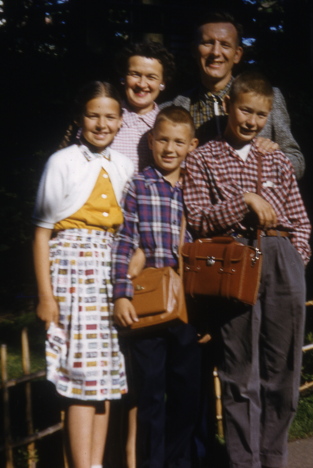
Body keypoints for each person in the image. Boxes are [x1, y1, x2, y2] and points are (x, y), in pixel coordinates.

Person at [183, 71, 311, 468]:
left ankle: (274, 458)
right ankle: (244, 462)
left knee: (284, 370)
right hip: (234, 262)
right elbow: (199, 220)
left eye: (260, 114)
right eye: (245, 110)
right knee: (240, 373)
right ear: (227, 106)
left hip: (281, 259)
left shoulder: (275, 158)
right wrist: (245, 201)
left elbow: (301, 221)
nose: (251, 121)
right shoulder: (202, 157)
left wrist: (295, 259)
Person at [32, 81, 135, 468]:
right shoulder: (63, 162)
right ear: (80, 118)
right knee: (81, 378)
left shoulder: (124, 166)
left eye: (110, 116)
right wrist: (46, 297)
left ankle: (95, 463)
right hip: (73, 272)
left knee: (105, 375)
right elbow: (42, 233)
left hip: (111, 272)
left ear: (121, 121)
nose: (101, 124)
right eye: (93, 115)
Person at [112, 106, 202, 468]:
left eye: (178, 142)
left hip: (188, 308)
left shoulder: (196, 188)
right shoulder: (139, 184)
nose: (169, 148)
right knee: (149, 395)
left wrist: (207, 314)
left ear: (191, 145)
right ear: (150, 141)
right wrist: (120, 292)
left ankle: (179, 462)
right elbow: (124, 240)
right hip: (148, 304)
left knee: (187, 394)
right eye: (162, 139)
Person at [165, 11, 305, 179]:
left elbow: (297, 162)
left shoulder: (270, 98)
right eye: (208, 43)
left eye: (225, 45)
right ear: (195, 50)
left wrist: (273, 158)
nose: (216, 52)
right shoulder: (176, 107)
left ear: (237, 54)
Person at [111, 41, 176, 171]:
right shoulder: (106, 120)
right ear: (123, 78)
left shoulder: (171, 125)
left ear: (162, 83)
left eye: (151, 77)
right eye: (135, 74)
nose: (141, 84)